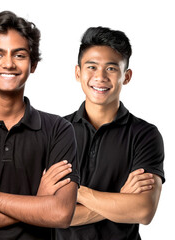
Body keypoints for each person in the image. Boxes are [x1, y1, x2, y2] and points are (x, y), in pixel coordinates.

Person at [0, 11, 79, 239]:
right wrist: (38, 204)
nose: (8, 64)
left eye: (19, 55)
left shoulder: (59, 130)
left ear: (33, 64)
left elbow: (60, 213)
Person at [55, 27, 165, 240]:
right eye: (92, 67)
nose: (100, 77)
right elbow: (47, 212)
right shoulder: (55, 132)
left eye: (111, 69)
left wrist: (75, 192)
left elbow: (143, 211)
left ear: (127, 76)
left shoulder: (145, 135)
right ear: (78, 73)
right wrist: (121, 200)